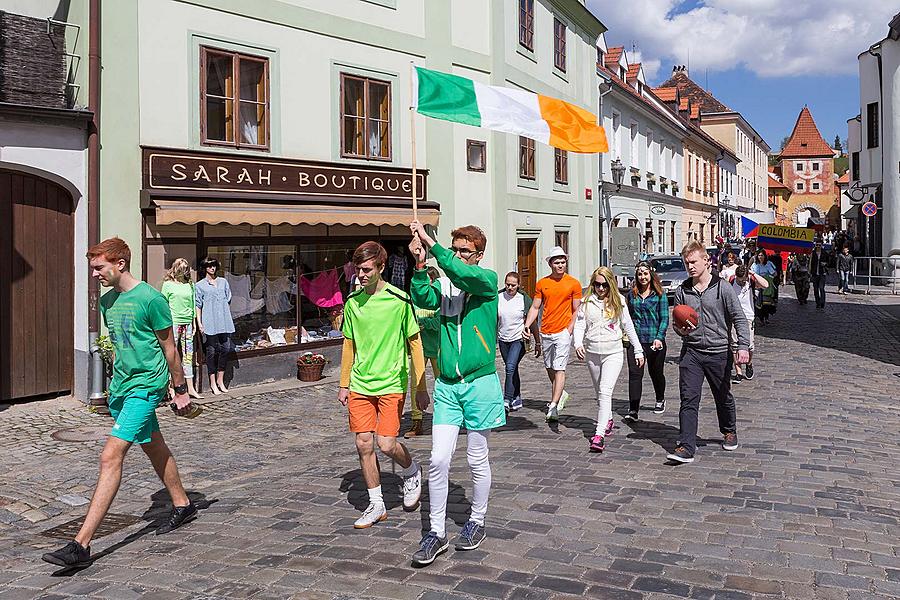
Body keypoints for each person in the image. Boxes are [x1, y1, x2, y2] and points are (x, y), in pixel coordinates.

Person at [42, 238, 198, 569]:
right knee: (154, 446)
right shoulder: (108, 301)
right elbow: (120, 343)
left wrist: (179, 387)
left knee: (110, 455)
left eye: (99, 267)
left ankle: (81, 544)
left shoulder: (151, 299)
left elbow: (169, 347)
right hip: (122, 387)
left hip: (146, 386)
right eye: (93, 267)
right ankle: (183, 504)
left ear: (120, 264)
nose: (95, 273)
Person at [408, 220, 504, 567]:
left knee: (477, 457)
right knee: (438, 459)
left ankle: (476, 520)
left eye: (466, 251)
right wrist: (420, 265)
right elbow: (422, 298)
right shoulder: (446, 285)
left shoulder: (487, 281)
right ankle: (436, 531)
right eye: (457, 249)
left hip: (479, 383)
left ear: (478, 255)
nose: (460, 255)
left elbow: (463, 275)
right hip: (447, 385)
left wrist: (432, 245)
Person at [337, 241, 426, 528]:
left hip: (391, 383)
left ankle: (411, 471)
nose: (360, 275)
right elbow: (349, 345)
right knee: (363, 444)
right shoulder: (352, 303)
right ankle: (377, 505)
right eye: (357, 270)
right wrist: (344, 383)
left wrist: (420, 388)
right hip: (361, 384)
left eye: (366, 270)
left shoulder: (399, 301)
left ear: (381, 268)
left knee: (386, 444)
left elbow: (415, 345)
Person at [666, 240, 751, 464]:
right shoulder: (683, 290)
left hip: (719, 351)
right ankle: (686, 446)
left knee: (722, 396)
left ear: (706, 261)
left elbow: (739, 318)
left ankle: (729, 430)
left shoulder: (722, 287)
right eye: (687, 263)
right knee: (688, 398)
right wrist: (681, 329)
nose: (690, 267)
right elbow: (676, 324)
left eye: (693, 262)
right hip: (692, 351)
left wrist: (743, 346)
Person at [574, 267, 644, 453]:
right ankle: (608, 418)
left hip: (613, 353)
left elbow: (628, 326)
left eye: (604, 285)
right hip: (592, 353)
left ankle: (599, 435)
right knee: (599, 393)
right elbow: (580, 324)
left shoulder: (619, 301)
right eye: (597, 284)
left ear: (610, 284)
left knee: (605, 391)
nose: (601, 288)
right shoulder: (586, 302)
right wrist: (577, 343)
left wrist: (638, 350)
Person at [523, 247, 583, 422]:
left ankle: (553, 405)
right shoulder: (542, 283)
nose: (560, 265)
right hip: (546, 330)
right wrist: (527, 325)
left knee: (559, 368)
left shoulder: (573, 283)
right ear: (550, 264)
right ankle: (561, 393)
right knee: (549, 367)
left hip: (563, 332)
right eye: (557, 262)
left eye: (563, 262)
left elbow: (577, 309)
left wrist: (570, 329)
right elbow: (535, 307)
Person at [624, 261, 669, 421]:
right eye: (639, 274)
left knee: (656, 373)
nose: (642, 277)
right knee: (635, 374)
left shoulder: (659, 294)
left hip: (654, 341)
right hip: (636, 341)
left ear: (650, 275)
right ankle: (633, 409)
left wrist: (659, 337)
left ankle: (660, 398)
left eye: (645, 273)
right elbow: (627, 318)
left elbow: (664, 318)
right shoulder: (631, 295)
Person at [406, 266, 442, 438]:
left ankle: (445, 417)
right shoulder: (415, 301)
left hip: (437, 347)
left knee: (442, 383)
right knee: (416, 384)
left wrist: (423, 323)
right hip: (418, 347)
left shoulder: (439, 298)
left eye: (427, 280)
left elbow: (438, 323)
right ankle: (416, 421)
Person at [161, 258, 203, 399]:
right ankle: (171, 388)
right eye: (182, 269)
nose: (184, 272)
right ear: (176, 269)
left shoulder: (190, 284)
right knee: (171, 354)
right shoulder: (168, 285)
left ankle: (190, 387)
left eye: (186, 269)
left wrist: (194, 321)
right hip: (174, 322)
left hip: (188, 324)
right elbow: (163, 304)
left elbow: (192, 303)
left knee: (188, 356)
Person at [497, 272, 539, 412]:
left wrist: (537, 341)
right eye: (507, 284)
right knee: (512, 369)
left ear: (519, 285)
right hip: (503, 339)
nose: (509, 288)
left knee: (509, 367)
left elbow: (532, 321)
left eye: (513, 285)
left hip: (518, 339)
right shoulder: (498, 297)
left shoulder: (523, 299)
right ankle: (516, 396)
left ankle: (507, 399)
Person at [195, 257, 234, 394]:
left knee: (226, 348)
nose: (212, 268)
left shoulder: (223, 282)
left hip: (223, 321)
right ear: (205, 268)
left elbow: (228, 299)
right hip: (209, 322)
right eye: (209, 266)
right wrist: (199, 323)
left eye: (214, 266)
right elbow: (198, 306)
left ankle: (220, 380)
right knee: (211, 352)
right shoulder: (199, 285)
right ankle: (212, 382)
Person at [729, 265, 767, 383]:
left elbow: (766, 285)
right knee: (734, 345)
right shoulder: (731, 281)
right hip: (734, 316)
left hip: (748, 316)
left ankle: (749, 364)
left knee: (749, 345)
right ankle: (738, 372)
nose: (741, 282)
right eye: (739, 280)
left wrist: (753, 274)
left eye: (743, 280)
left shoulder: (751, 281)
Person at [751, 250, 777, 324]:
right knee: (759, 303)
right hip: (758, 286)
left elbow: (774, 273)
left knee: (767, 304)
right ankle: (761, 319)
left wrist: (768, 276)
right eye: (759, 255)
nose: (760, 257)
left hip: (767, 287)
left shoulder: (769, 264)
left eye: (762, 255)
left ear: (765, 256)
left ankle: (766, 318)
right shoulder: (754, 265)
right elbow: (753, 274)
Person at [810, 240, 828, 309]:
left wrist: (825, 264)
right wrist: (810, 272)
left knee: (821, 288)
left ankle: (822, 302)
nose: (818, 246)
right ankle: (817, 303)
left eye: (819, 245)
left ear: (822, 246)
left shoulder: (824, 253)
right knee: (815, 289)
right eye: (817, 245)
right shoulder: (813, 253)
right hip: (814, 273)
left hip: (822, 273)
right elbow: (811, 263)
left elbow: (829, 262)